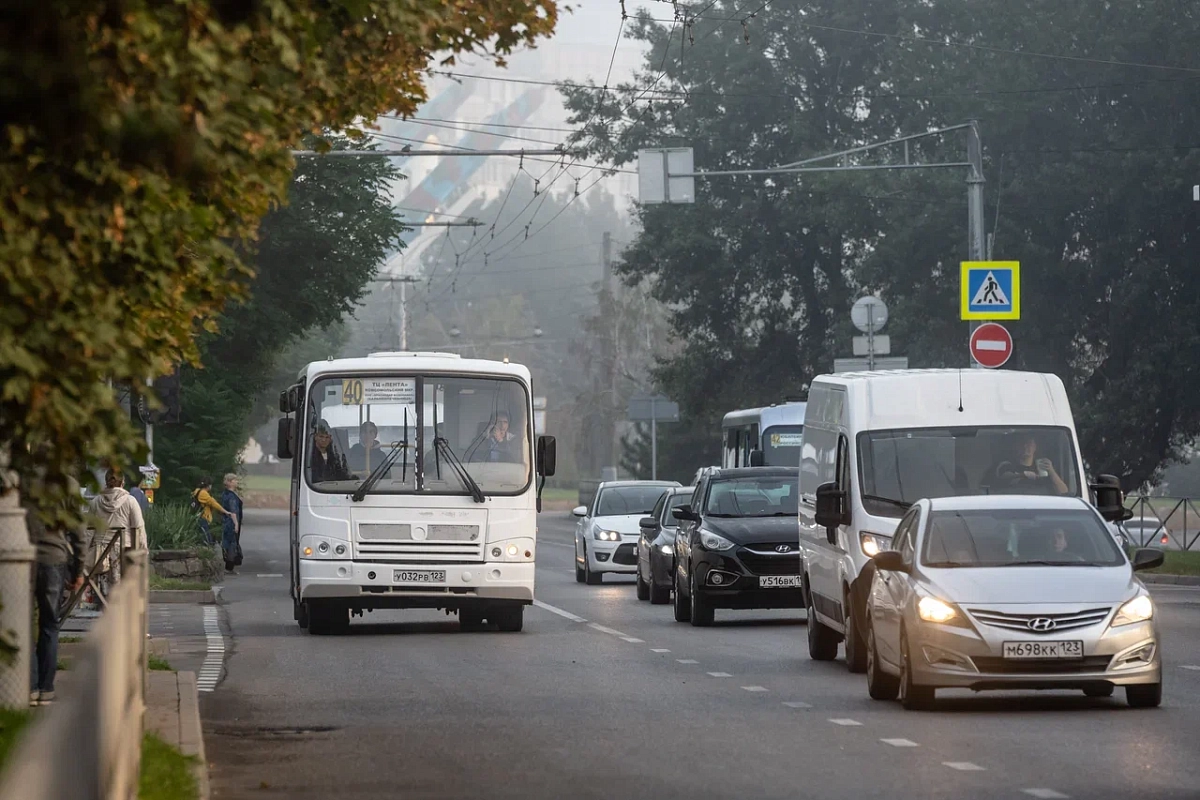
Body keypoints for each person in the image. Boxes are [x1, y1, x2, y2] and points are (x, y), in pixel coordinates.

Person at [24, 473, 87, 706]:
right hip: (54, 559)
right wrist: (79, 569)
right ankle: (46, 689)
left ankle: (29, 686)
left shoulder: (22, 481)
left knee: (25, 624)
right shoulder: (68, 483)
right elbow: (79, 531)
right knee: (50, 624)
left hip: (24, 560)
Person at [89, 469, 147, 585]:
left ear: (106, 482)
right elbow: (138, 529)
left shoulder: (95, 502)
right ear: (122, 483)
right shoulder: (131, 501)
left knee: (99, 589)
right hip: (123, 552)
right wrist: (143, 551)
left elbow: (89, 531)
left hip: (99, 554)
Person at [990, 433, 1069, 495]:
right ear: (1015, 446)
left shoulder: (1043, 468)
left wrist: (1051, 471)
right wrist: (1022, 475)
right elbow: (1004, 477)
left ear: (1035, 447)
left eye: (1029, 443)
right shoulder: (1006, 465)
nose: (1025, 446)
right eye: (1021, 443)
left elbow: (1064, 492)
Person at [192, 478, 234, 546]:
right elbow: (213, 503)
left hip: (199, 518)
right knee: (207, 540)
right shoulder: (203, 493)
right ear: (208, 486)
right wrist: (225, 511)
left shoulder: (197, 491)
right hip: (202, 518)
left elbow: (212, 501)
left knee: (204, 538)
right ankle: (205, 553)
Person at [219, 473, 244, 573]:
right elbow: (233, 511)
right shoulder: (231, 496)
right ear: (229, 482)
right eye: (234, 480)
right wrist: (236, 523)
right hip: (231, 522)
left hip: (226, 521)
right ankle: (230, 566)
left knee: (228, 542)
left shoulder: (225, 494)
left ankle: (229, 565)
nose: (236, 482)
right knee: (232, 543)